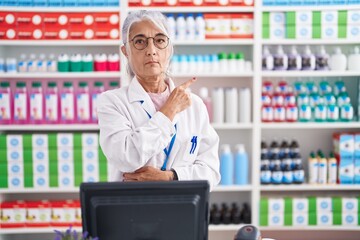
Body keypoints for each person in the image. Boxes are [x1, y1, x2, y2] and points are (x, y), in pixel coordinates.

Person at [97, 10, 220, 190]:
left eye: (160, 40)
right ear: (126, 51)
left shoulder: (195, 105)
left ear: (169, 49)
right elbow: (125, 157)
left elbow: (211, 171)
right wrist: (168, 111)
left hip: (181, 210)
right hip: (132, 209)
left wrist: (170, 177)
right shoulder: (112, 102)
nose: (151, 50)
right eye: (140, 42)